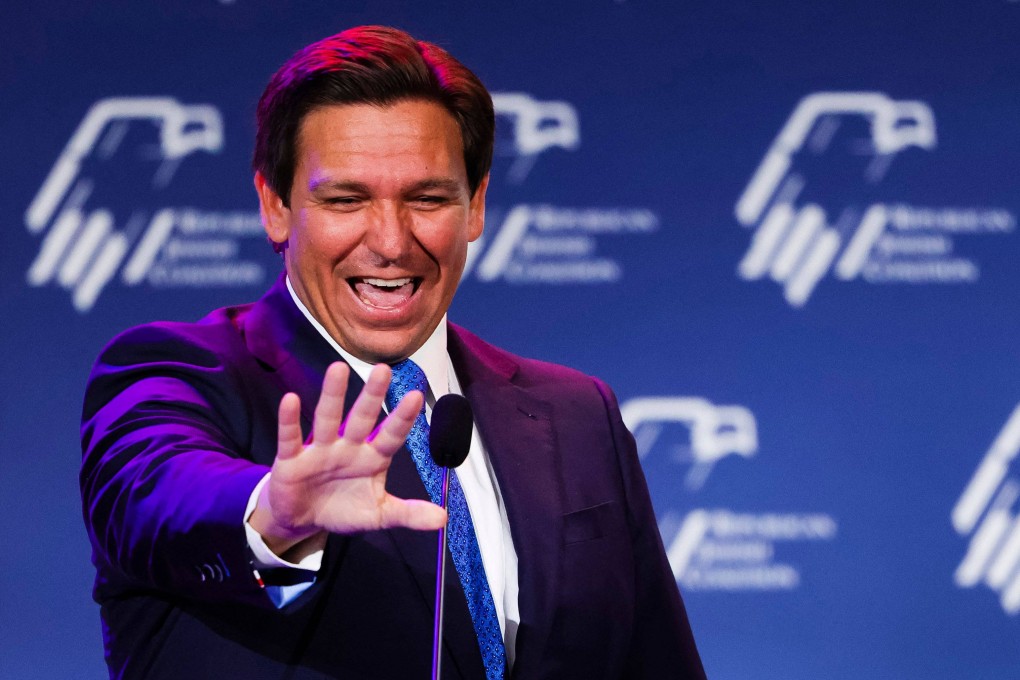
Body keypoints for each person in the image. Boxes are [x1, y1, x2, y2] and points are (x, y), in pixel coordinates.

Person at [80, 25, 706, 680]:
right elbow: (157, 492)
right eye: (346, 199)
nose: (391, 242)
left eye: (427, 198)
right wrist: (271, 515)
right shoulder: (180, 372)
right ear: (275, 206)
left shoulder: (578, 414)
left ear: (475, 206)